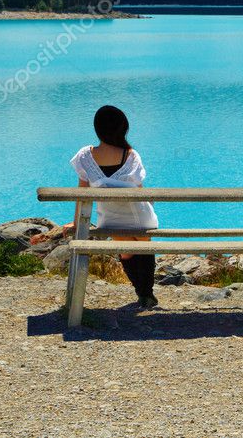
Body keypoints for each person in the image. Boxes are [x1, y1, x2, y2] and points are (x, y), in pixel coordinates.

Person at [32, 106, 159, 309]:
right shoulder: (131, 155)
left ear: (97, 129)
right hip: (140, 216)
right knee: (144, 246)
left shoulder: (85, 156)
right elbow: (140, 191)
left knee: (127, 252)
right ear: (122, 128)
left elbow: (82, 194)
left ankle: (142, 293)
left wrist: (76, 222)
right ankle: (146, 294)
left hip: (109, 219)